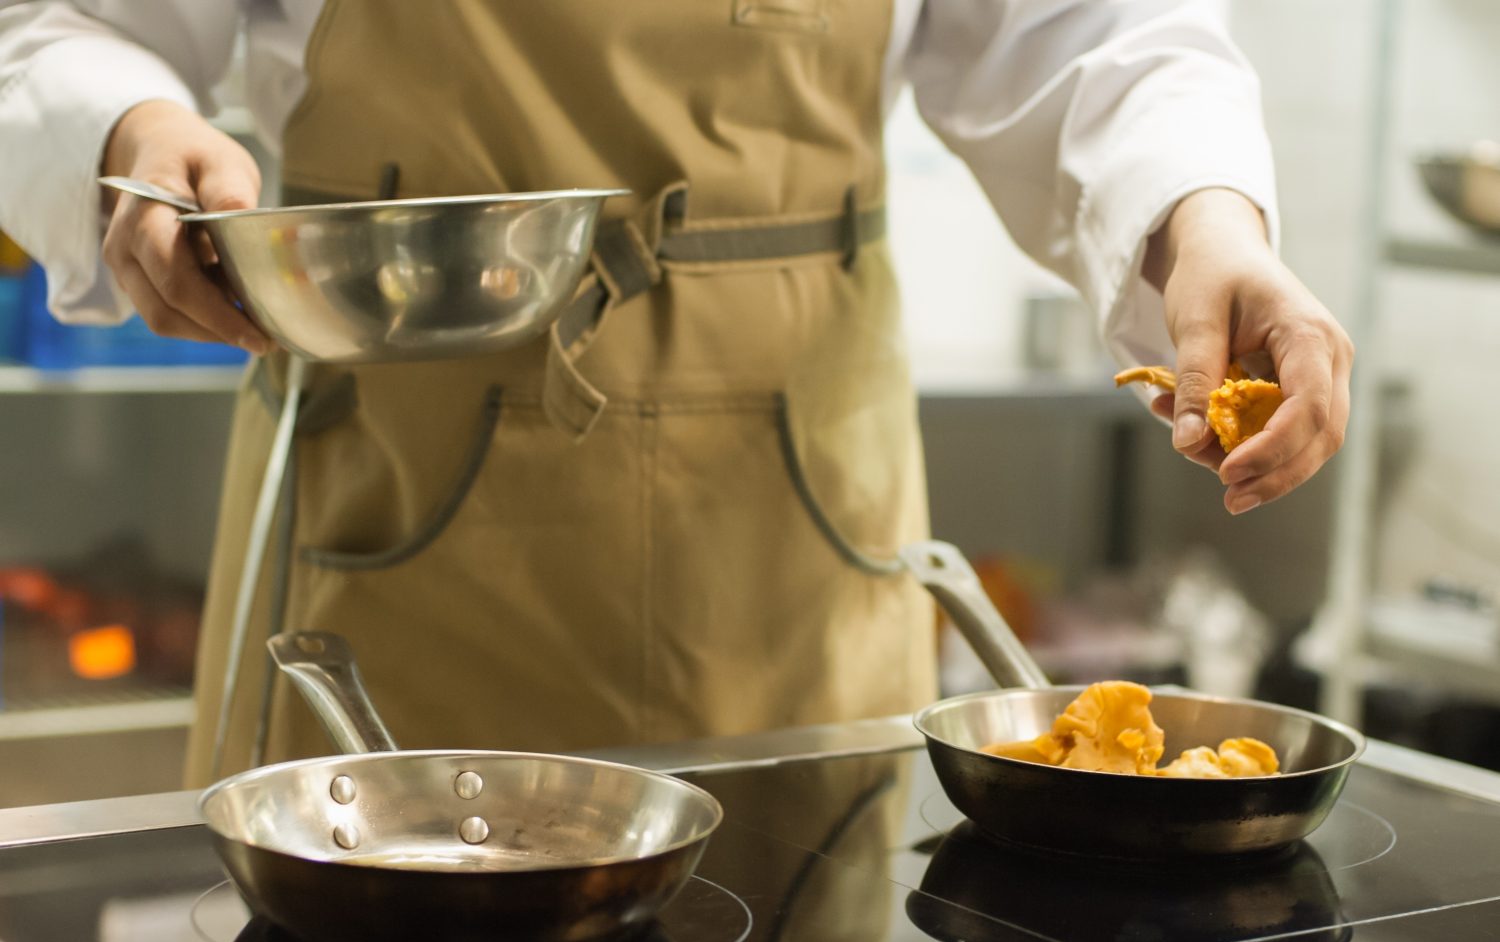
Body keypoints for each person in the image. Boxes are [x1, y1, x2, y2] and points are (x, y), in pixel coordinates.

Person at [0, 1, 1353, 787]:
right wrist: (126, 128)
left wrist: (1207, 221)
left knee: (809, 934)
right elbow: (57, 26)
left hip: (800, 542)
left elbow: (1089, 35)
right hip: (393, 531)